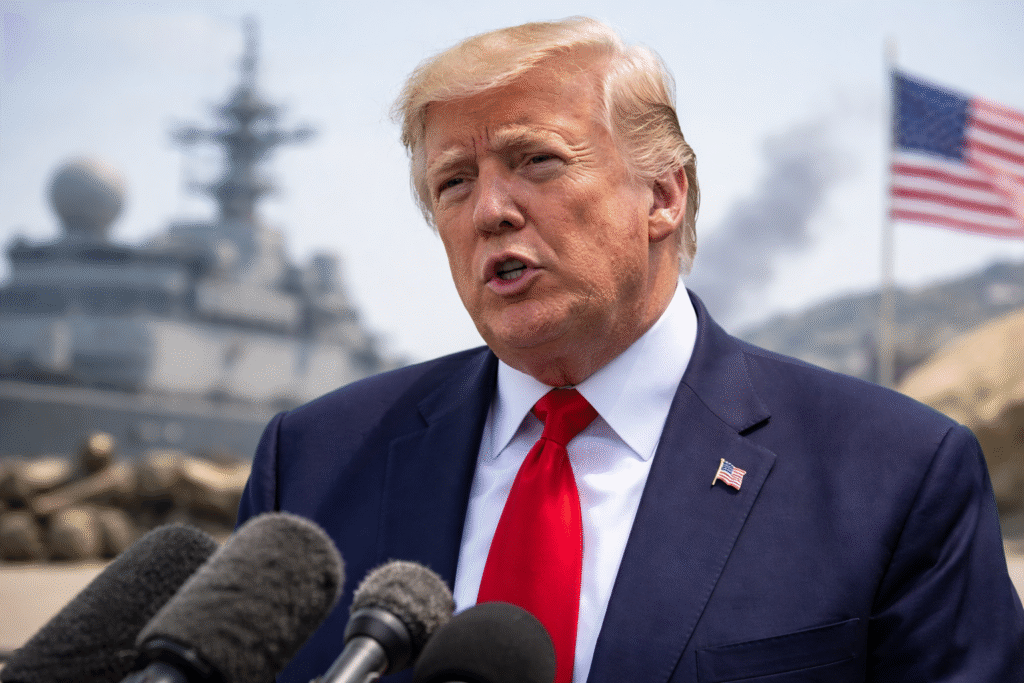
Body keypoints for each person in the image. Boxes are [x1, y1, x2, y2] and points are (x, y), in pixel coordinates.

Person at [237, 17, 1024, 683]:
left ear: (663, 194)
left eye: (534, 160)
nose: (490, 210)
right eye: (453, 182)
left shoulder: (897, 474)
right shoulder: (310, 462)